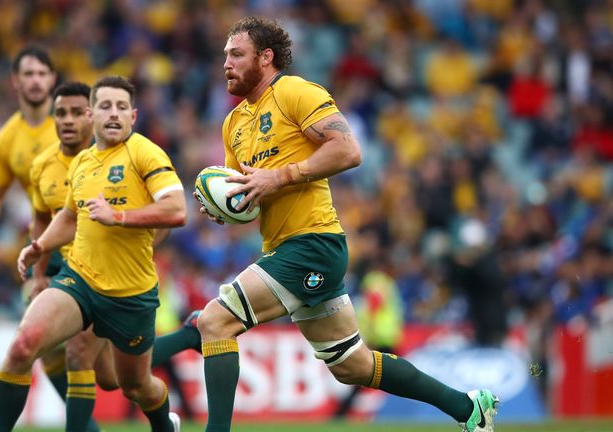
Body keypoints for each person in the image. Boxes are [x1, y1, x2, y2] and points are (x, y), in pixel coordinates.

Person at [193, 16, 499, 432]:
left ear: (265, 58)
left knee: (215, 320)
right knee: (352, 366)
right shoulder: (233, 124)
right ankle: (468, 408)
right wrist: (223, 208)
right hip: (284, 248)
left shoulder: (295, 92)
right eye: (225, 55)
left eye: (236, 54)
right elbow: (245, 195)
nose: (226, 63)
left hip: (312, 244)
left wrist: (279, 176)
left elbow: (349, 150)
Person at [12, 75, 186, 432]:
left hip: (128, 293)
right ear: (92, 114)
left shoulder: (145, 152)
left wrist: (119, 216)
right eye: (105, 105)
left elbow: (176, 210)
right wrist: (40, 246)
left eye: (121, 107)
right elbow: (69, 216)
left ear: (133, 116)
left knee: (130, 384)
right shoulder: (82, 163)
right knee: (33, 345)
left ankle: (166, 418)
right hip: (80, 280)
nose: (113, 113)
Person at [0, 46, 98, 432]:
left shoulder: (82, 123)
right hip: (45, 250)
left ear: (53, 80)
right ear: (15, 81)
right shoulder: (8, 139)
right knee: (44, 351)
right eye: (29, 73)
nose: (36, 79)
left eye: (43, 73)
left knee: (108, 369)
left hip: (93, 252)